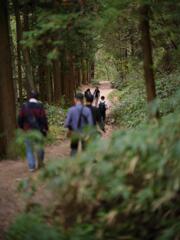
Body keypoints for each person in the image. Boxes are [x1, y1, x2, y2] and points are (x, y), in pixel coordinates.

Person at [18, 91, 48, 172]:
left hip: (28, 130)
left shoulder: (24, 106)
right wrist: (46, 128)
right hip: (39, 130)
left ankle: (31, 166)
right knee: (40, 147)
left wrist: (21, 127)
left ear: (29, 97)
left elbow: (20, 117)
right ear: (37, 97)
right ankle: (40, 163)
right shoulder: (40, 105)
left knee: (29, 149)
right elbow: (44, 118)